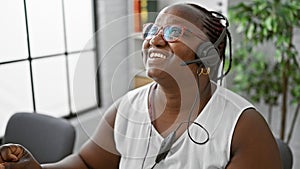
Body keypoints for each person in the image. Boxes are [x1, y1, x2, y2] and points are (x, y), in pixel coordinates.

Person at [0, 3, 282, 169]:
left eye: (174, 32)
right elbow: (87, 164)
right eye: (152, 31)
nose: (155, 40)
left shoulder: (244, 127)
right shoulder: (128, 107)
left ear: (208, 55)